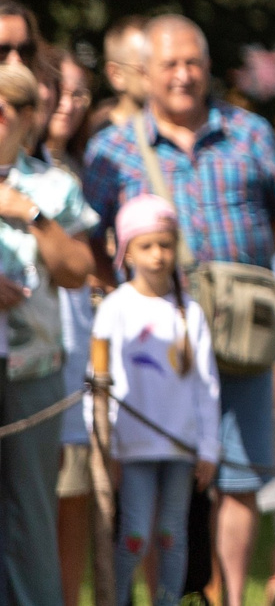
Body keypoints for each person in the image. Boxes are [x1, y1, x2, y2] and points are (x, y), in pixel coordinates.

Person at [82, 15, 275, 606]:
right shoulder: (112, 149)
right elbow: (91, 241)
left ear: (207, 68)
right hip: (154, 346)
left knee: (239, 476)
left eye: (192, 62)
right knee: (152, 479)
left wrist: (231, 285)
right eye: (169, 64)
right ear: (145, 74)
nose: (182, 75)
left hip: (242, 337)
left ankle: (227, 598)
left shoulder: (249, 132)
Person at [0, 53, 96, 606]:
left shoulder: (53, 185)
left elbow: (77, 270)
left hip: (34, 363)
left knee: (32, 507)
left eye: (10, 107)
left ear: (30, 115)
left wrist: (29, 215)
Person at [94, 195, 219, 606]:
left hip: (180, 447)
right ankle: (119, 598)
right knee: (135, 534)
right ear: (127, 250)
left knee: (172, 534)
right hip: (133, 447)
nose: (158, 256)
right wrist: (104, 441)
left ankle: (168, 600)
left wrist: (208, 447)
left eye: (165, 245)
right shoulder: (115, 308)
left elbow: (206, 385)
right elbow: (99, 384)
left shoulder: (190, 313)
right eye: (146, 246)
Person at [47, 52, 103, 606]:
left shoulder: (88, 165)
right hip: (35, 349)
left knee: (73, 494)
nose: (68, 103)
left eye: (80, 93)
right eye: (58, 91)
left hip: (78, 353)